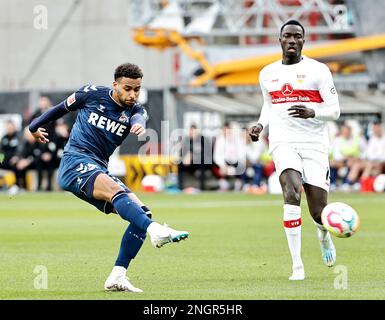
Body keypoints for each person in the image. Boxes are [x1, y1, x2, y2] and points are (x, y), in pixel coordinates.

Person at [29, 63, 189, 292]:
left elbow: (139, 120)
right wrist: (34, 126)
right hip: (75, 161)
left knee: (141, 214)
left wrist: (137, 127)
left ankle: (117, 275)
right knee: (121, 196)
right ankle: (156, 230)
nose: (132, 94)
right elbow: (59, 109)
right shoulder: (91, 94)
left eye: (137, 89)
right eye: (127, 88)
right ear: (115, 85)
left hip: (98, 168)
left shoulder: (136, 110)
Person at [249, 20, 340, 280]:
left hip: (314, 145)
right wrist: (260, 125)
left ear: (303, 41)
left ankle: (323, 236)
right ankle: (297, 266)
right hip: (282, 142)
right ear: (279, 40)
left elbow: (335, 111)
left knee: (318, 212)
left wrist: (313, 112)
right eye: (287, 36)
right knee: (291, 193)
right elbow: (269, 105)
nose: (292, 40)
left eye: (297, 36)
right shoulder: (267, 73)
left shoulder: (319, 71)